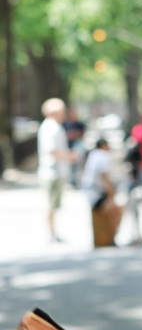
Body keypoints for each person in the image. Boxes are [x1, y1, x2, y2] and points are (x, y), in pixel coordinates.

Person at [37, 98, 72, 242]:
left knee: (54, 204)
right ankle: (51, 234)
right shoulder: (50, 127)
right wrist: (69, 156)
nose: (63, 114)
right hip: (51, 172)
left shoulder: (55, 126)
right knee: (50, 204)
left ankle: (53, 233)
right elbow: (51, 150)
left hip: (56, 171)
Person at [81, 138, 123, 247]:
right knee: (118, 211)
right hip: (96, 194)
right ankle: (110, 239)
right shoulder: (102, 156)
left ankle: (108, 239)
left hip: (93, 192)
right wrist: (111, 195)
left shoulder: (94, 155)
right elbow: (104, 178)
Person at [62, 107, 87, 189]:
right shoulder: (64, 124)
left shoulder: (80, 124)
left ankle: (75, 181)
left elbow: (81, 135)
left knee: (76, 165)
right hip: (67, 147)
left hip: (76, 147)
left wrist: (72, 135)